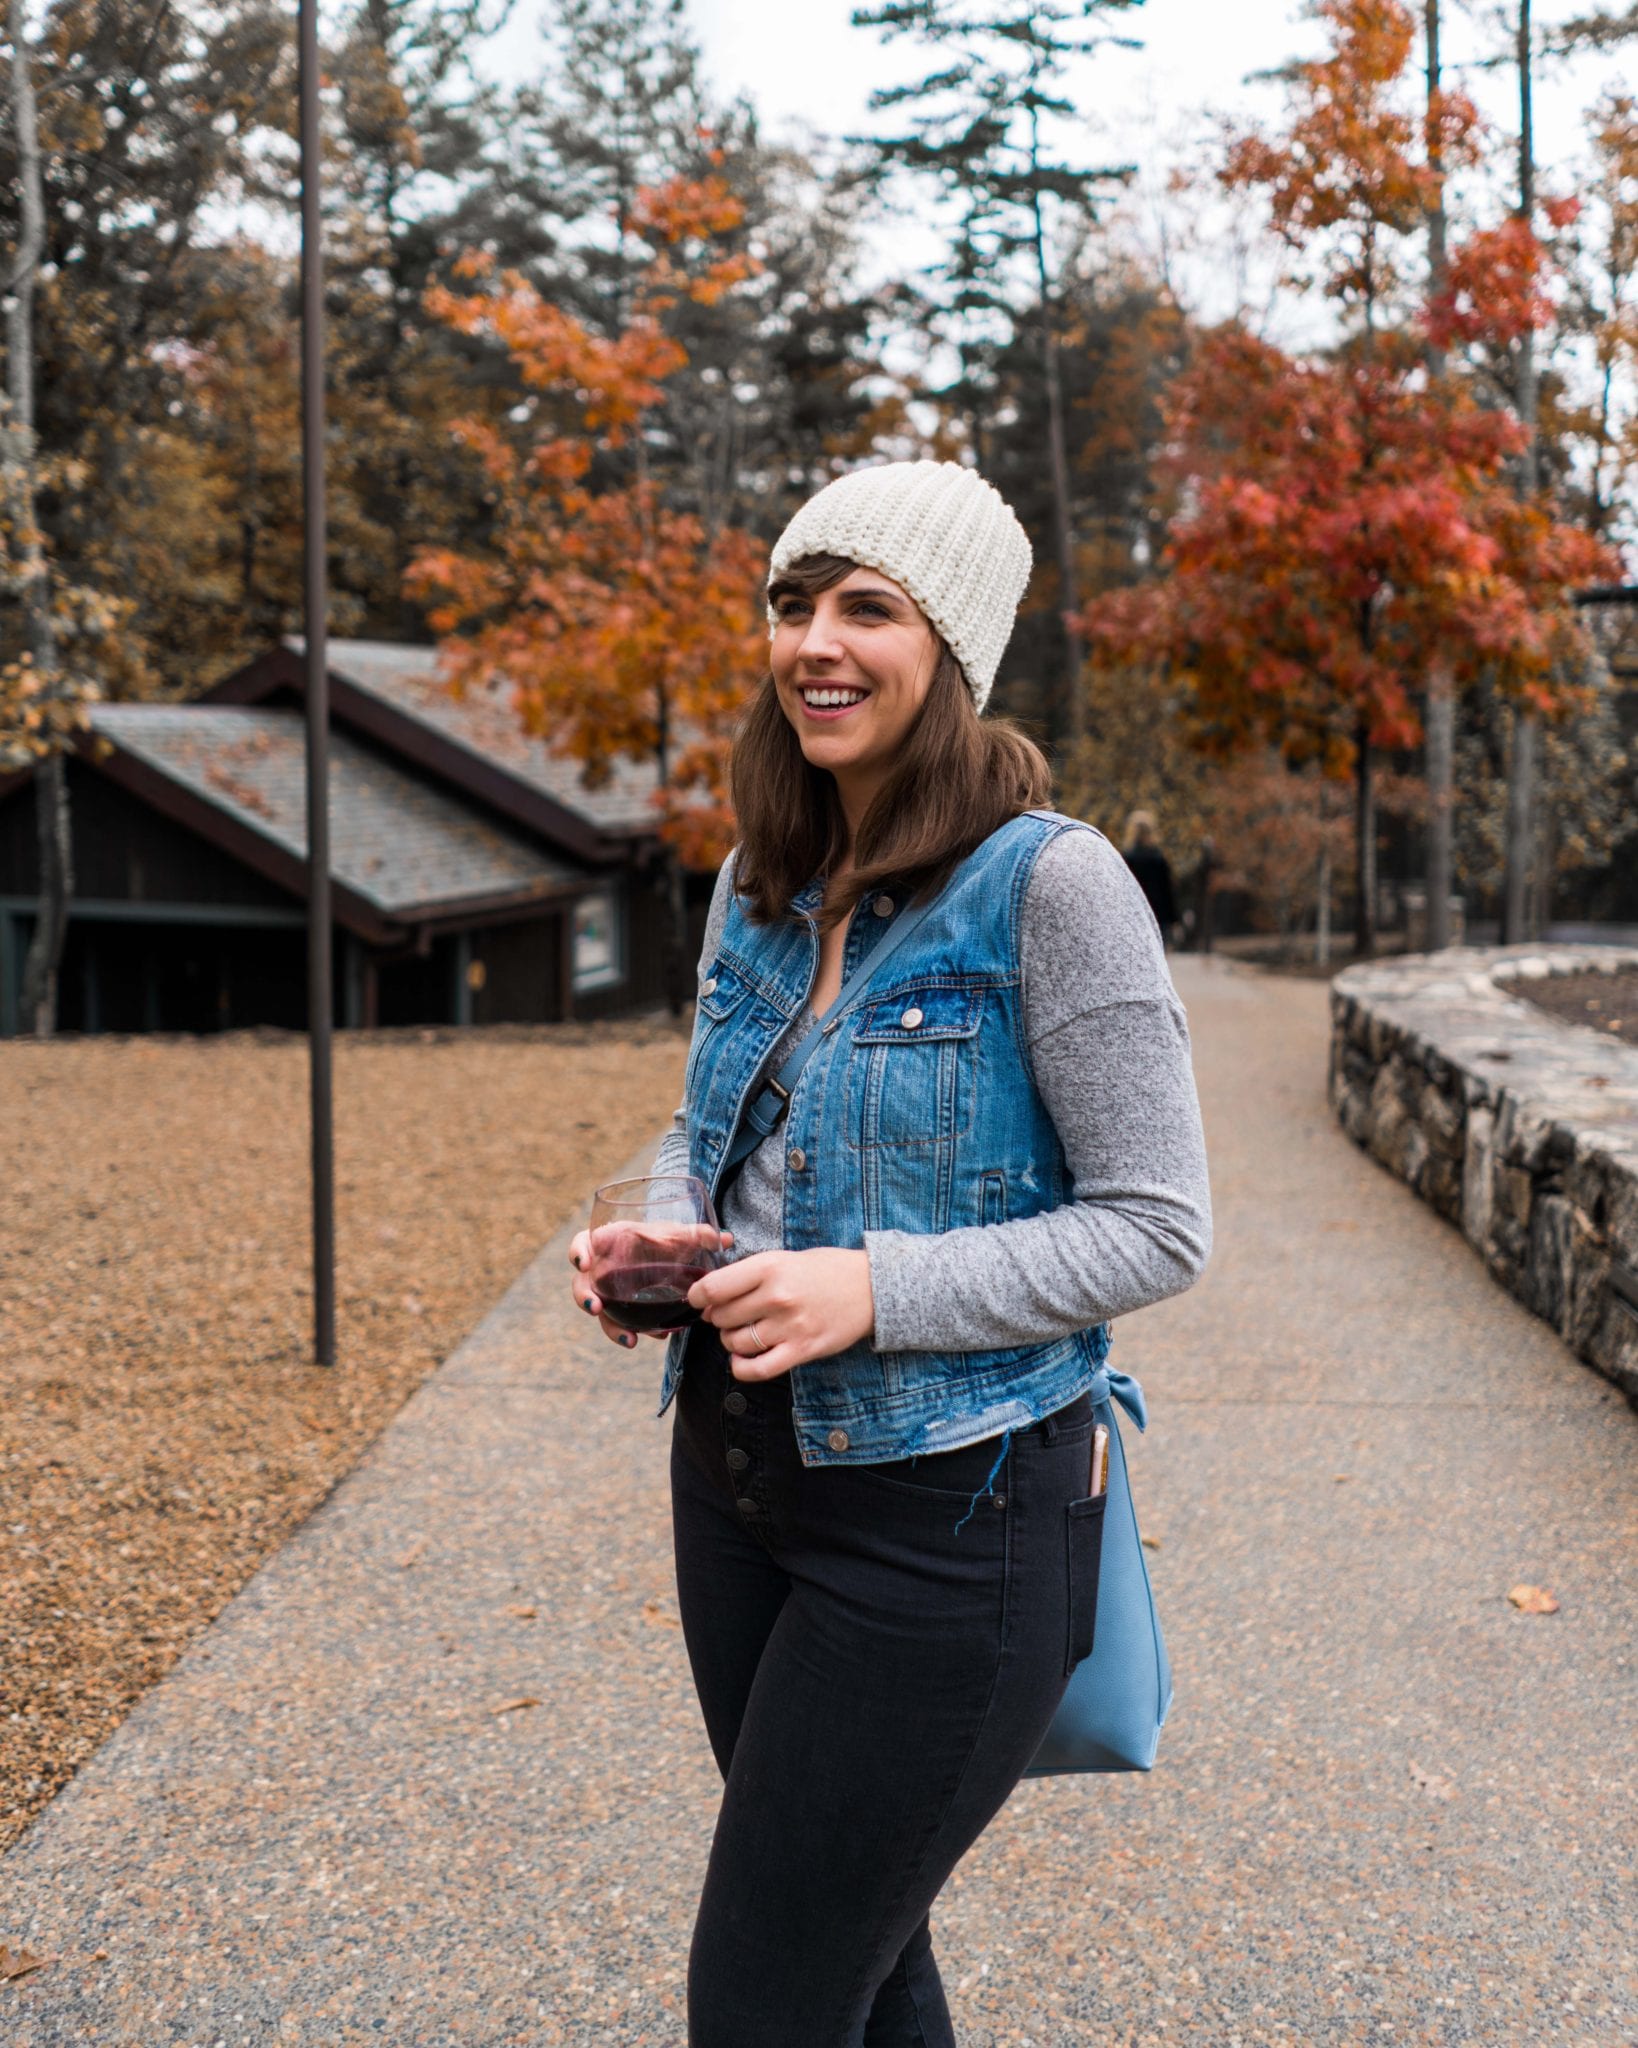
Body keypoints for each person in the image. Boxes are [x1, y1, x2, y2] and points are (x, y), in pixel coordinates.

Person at [568, 459, 1212, 2047]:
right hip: (733, 1488)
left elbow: (1157, 1223)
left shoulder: (1054, 888)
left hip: (953, 1526)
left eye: (869, 607)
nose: (815, 643)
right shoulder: (759, 878)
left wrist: (873, 1291)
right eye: (793, 604)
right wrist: (669, 1227)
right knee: (861, 1961)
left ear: (954, 653)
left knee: (765, 2001)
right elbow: (708, 1122)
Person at [1121, 808, 1179, 948]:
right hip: (1158, 911)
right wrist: (1173, 920)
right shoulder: (1158, 858)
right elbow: (1167, 891)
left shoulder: (1127, 858)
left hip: (1135, 910)